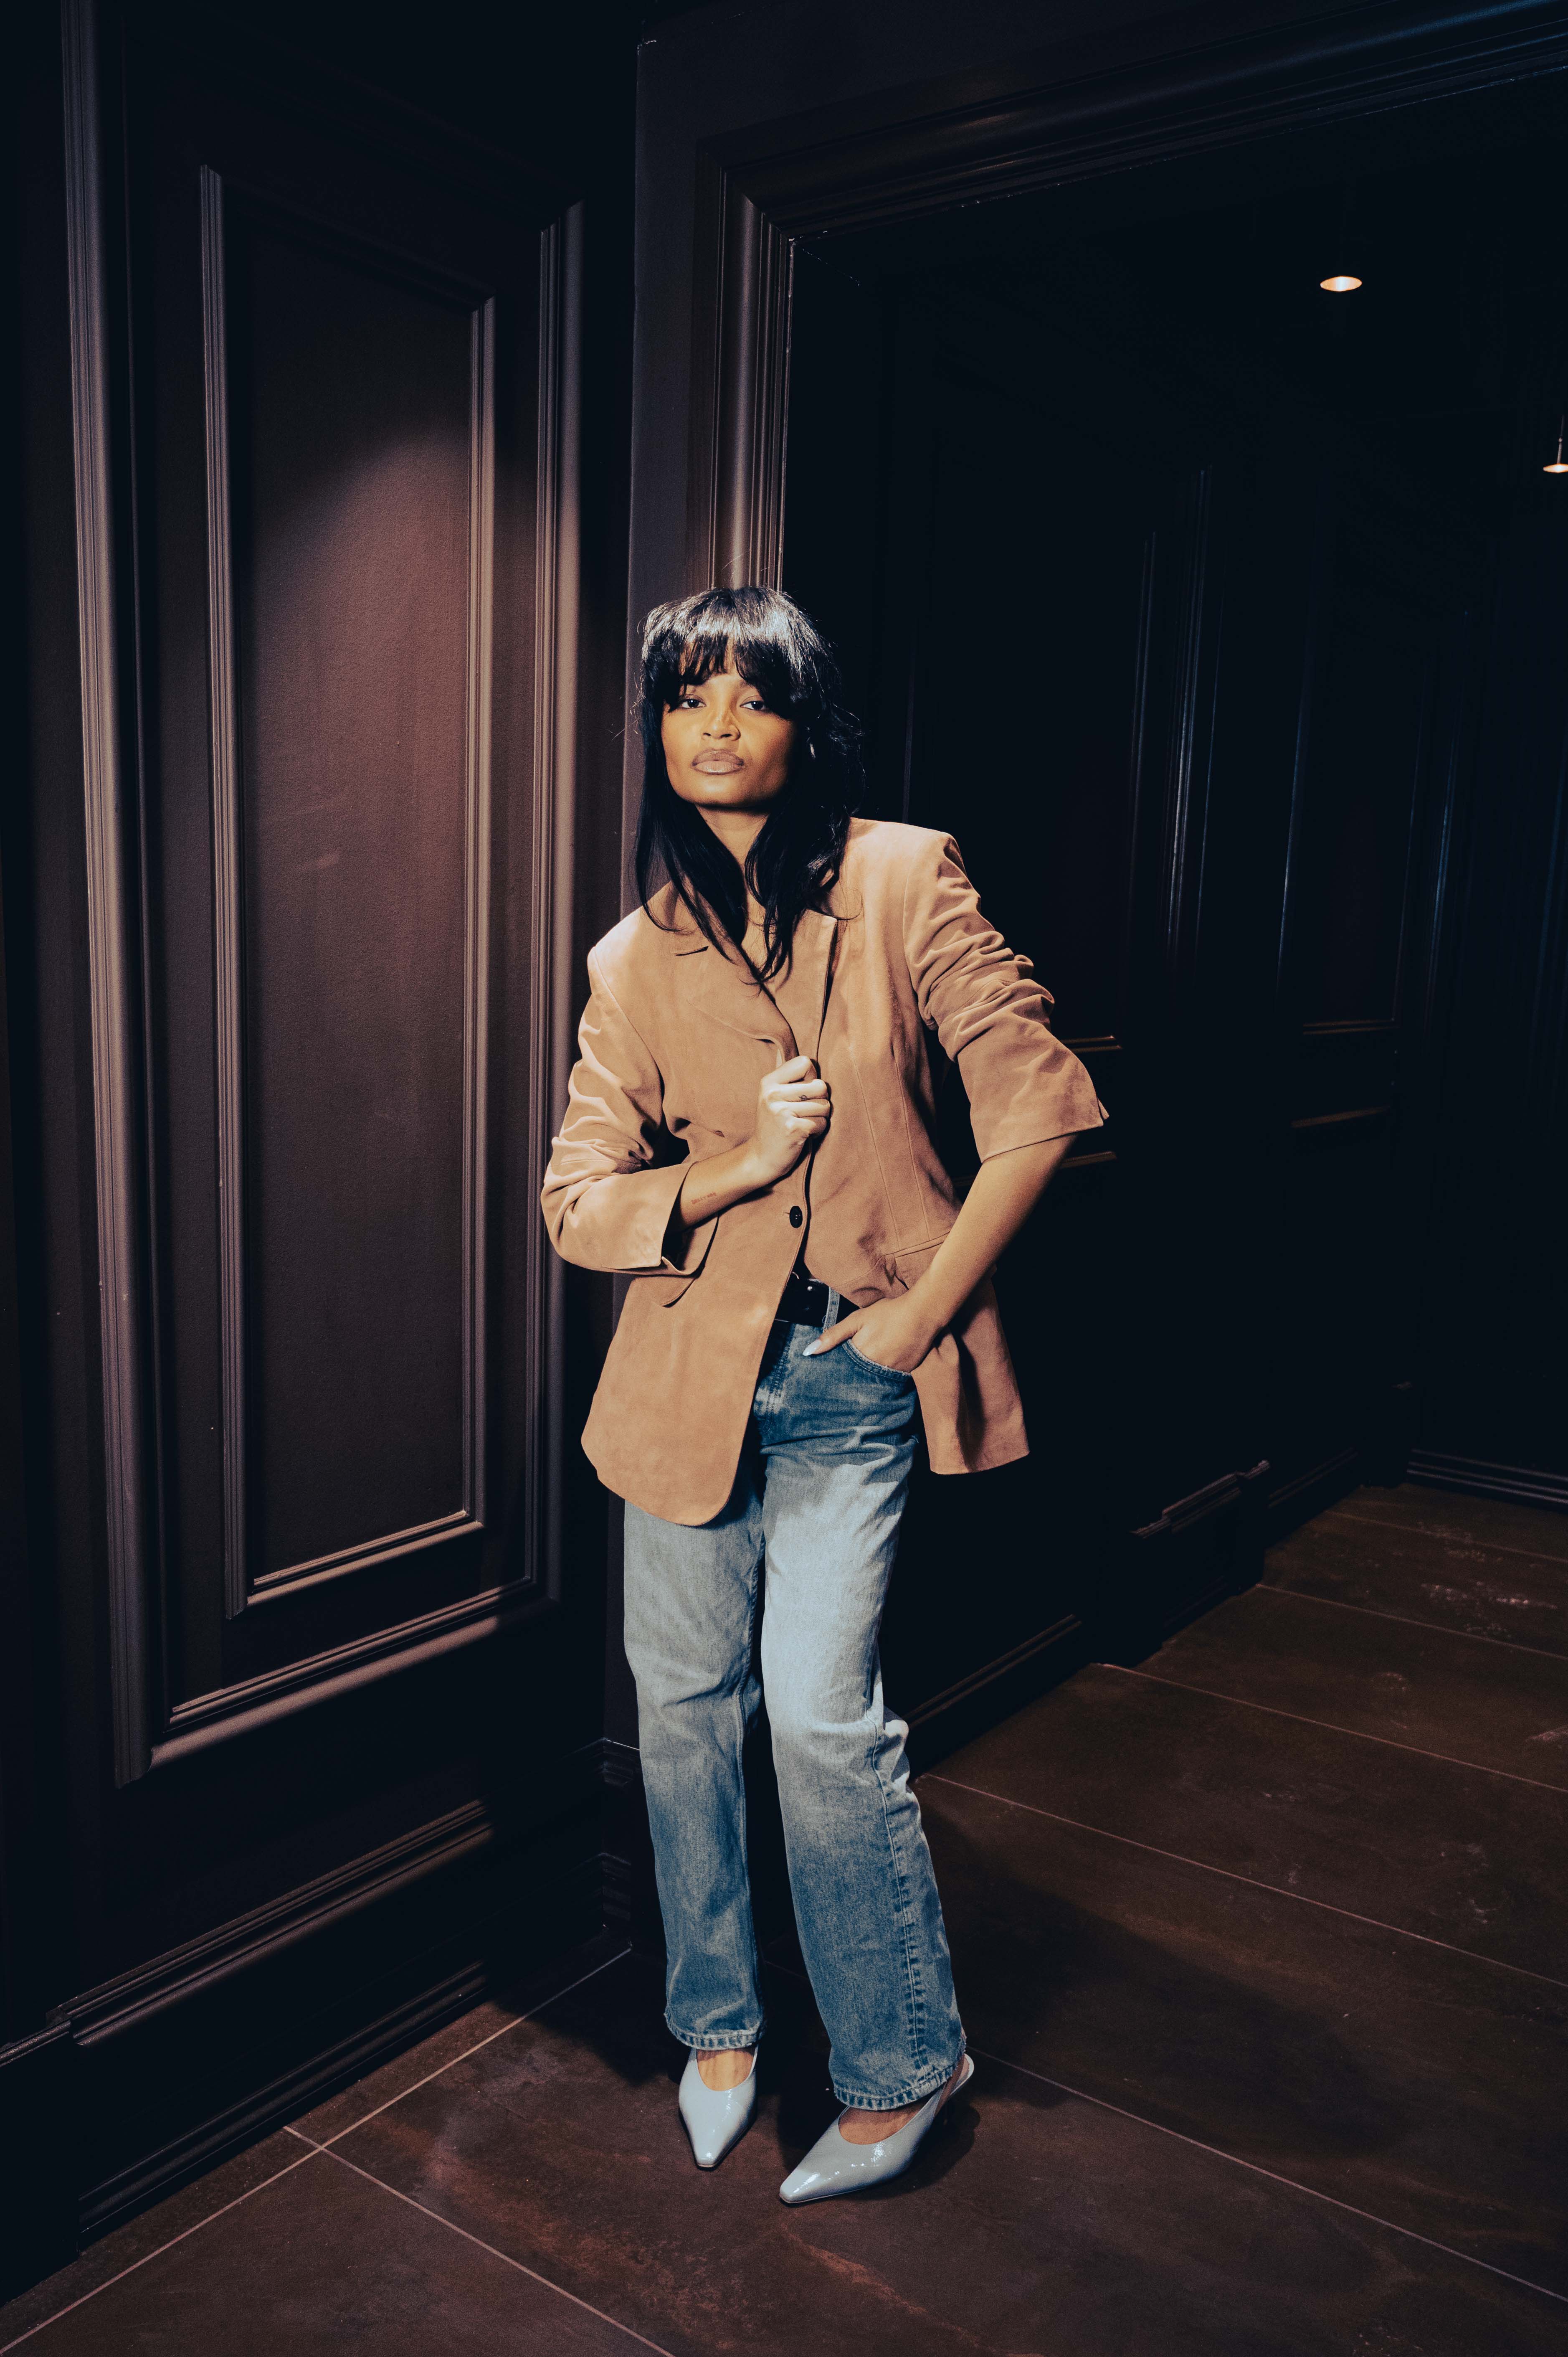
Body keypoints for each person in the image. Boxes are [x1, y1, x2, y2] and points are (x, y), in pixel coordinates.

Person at [541, 586, 1105, 2204]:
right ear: (658, 729)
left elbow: (1039, 1107)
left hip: (852, 1375)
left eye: (753, 693)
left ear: (807, 722)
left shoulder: (901, 876)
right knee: (679, 1720)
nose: (716, 723)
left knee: (817, 1718)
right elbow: (577, 1202)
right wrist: (736, 1166)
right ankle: (717, 2028)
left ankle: (905, 2061)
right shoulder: (632, 959)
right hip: (679, 1384)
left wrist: (920, 1314)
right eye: (685, 696)